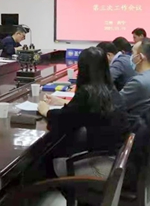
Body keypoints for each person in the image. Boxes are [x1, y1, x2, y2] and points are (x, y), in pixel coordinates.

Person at [37, 47, 130, 175]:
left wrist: (46, 111)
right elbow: (84, 110)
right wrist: (62, 102)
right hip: (114, 158)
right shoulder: (108, 88)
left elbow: (65, 119)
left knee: (47, 157)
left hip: (101, 164)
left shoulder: (88, 92)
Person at [119, 38, 150, 112]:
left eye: (133, 53)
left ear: (140, 57)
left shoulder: (138, 82)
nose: (131, 56)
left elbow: (114, 104)